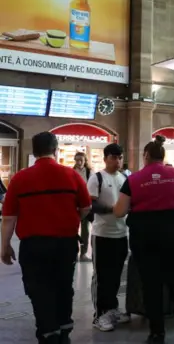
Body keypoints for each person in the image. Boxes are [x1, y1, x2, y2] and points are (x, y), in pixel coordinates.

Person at [113, 135, 174, 343]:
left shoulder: (133, 179)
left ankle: (157, 332)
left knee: (151, 285)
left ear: (145, 156)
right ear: (163, 156)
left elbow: (119, 211)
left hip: (144, 238)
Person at [1, 132, 92, 344]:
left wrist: (4, 246)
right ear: (56, 149)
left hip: (33, 246)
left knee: (38, 288)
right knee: (63, 284)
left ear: (33, 152)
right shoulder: (71, 175)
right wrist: (71, 218)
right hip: (65, 243)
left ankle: (48, 332)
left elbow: (8, 217)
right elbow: (86, 206)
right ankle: (64, 328)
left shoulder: (20, 178)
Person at [87, 143, 130, 332]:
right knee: (102, 275)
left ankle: (112, 309)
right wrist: (113, 210)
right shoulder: (97, 178)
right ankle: (99, 315)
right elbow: (91, 205)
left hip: (121, 233)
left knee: (115, 275)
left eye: (120, 157)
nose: (118, 161)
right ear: (105, 159)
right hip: (102, 234)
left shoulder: (124, 178)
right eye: (114, 157)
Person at [74, 151, 94, 262]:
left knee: (85, 230)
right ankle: (74, 252)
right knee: (74, 230)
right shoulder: (72, 172)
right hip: (75, 205)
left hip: (86, 204)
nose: (79, 162)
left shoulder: (89, 172)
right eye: (77, 160)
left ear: (85, 160)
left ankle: (83, 253)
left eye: (81, 160)